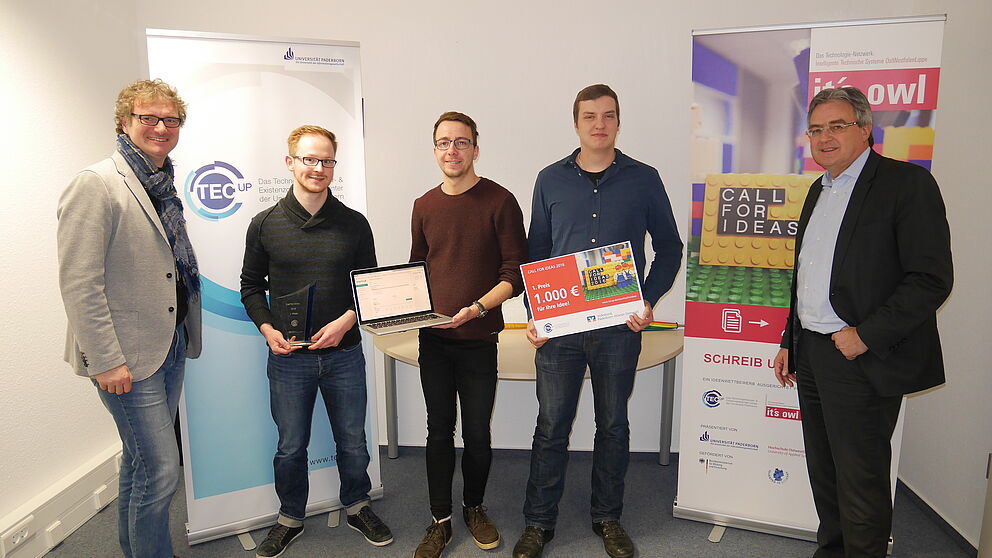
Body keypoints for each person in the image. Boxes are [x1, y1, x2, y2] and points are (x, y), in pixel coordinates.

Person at [773, 86, 952, 558]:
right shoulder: (818, 189)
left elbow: (931, 279)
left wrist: (865, 336)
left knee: (861, 478)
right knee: (826, 470)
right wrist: (789, 339)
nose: (824, 137)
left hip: (860, 355)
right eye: (815, 129)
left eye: (837, 126)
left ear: (865, 129)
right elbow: (807, 277)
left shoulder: (906, 185)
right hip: (811, 352)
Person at [513, 84, 683, 558]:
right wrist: (535, 313)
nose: (599, 125)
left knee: (613, 424)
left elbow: (669, 248)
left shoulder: (644, 178)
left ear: (618, 122)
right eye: (589, 116)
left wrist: (646, 301)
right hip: (560, 328)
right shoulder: (549, 179)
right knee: (551, 425)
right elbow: (537, 253)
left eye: (608, 116)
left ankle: (607, 518)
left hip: (618, 329)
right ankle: (538, 523)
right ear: (576, 124)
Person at [57, 78, 202, 558]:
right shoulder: (96, 184)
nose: (161, 127)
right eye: (149, 118)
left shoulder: (160, 181)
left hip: (168, 342)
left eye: (170, 119)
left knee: (139, 464)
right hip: (124, 357)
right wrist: (105, 361)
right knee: (161, 469)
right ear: (125, 122)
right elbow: (80, 284)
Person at [240, 125, 392, 557]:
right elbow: (250, 287)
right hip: (289, 359)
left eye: (326, 160)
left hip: (344, 356)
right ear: (290, 163)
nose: (318, 168)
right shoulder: (264, 224)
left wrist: (346, 322)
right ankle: (290, 516)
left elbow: (369, 289)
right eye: (309, 159)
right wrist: (268, 330)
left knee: (353, 441)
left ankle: (358, 505)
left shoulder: (354, 224)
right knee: (290, 445)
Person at [409, 112, 528, 558]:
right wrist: (403, 310)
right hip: (433, 340)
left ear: (476, 148)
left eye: (461, 142)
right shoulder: (423, 204)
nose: (452, 150)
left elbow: (514, 275)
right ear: (435, 150)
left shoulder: (500, 201)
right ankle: (439, 520)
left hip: (479, 337)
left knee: (477, 432)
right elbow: (417, 267)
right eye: (443, 143)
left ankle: (474, 506)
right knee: (438, 430)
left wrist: (475, 308)